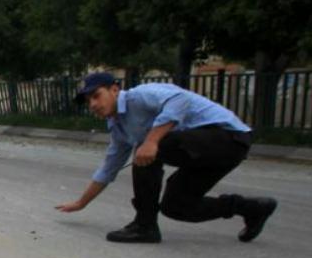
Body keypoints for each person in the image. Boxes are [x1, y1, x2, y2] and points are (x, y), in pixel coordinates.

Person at [56, 71, 277, 243]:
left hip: (228, 138)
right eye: (88, 101)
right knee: (176, 207)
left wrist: (152, 141)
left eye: (96, 96)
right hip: (202, 152)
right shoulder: (118, 127)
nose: (93, 104)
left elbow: (180, 99)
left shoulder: (139, 96)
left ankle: (144, 226)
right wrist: (81, 203)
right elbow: (109, 168)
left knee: (147, 148)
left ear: (114, 89)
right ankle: (253, 209)